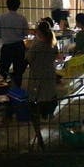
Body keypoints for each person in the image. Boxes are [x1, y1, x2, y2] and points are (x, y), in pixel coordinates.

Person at [26, 20, 59, 149]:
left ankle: (39, 136)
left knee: (35, 106)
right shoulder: (53, 44)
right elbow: (55, 57)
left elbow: (28, 59)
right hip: (50, 76)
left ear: (39, 32)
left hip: (37, 79)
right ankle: (47, 113)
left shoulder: (37, 46)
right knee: (48, 97)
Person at [0, 0, 30, 87]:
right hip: (19, 46)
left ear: (7, 5)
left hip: (7, 46)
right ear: (18, 6)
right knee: (18, 70)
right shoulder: (22, 18)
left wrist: (4, 36)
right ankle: (17, 88)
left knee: (3, 69)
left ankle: (0, 88)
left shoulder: (1, 17)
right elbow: (26, 33)